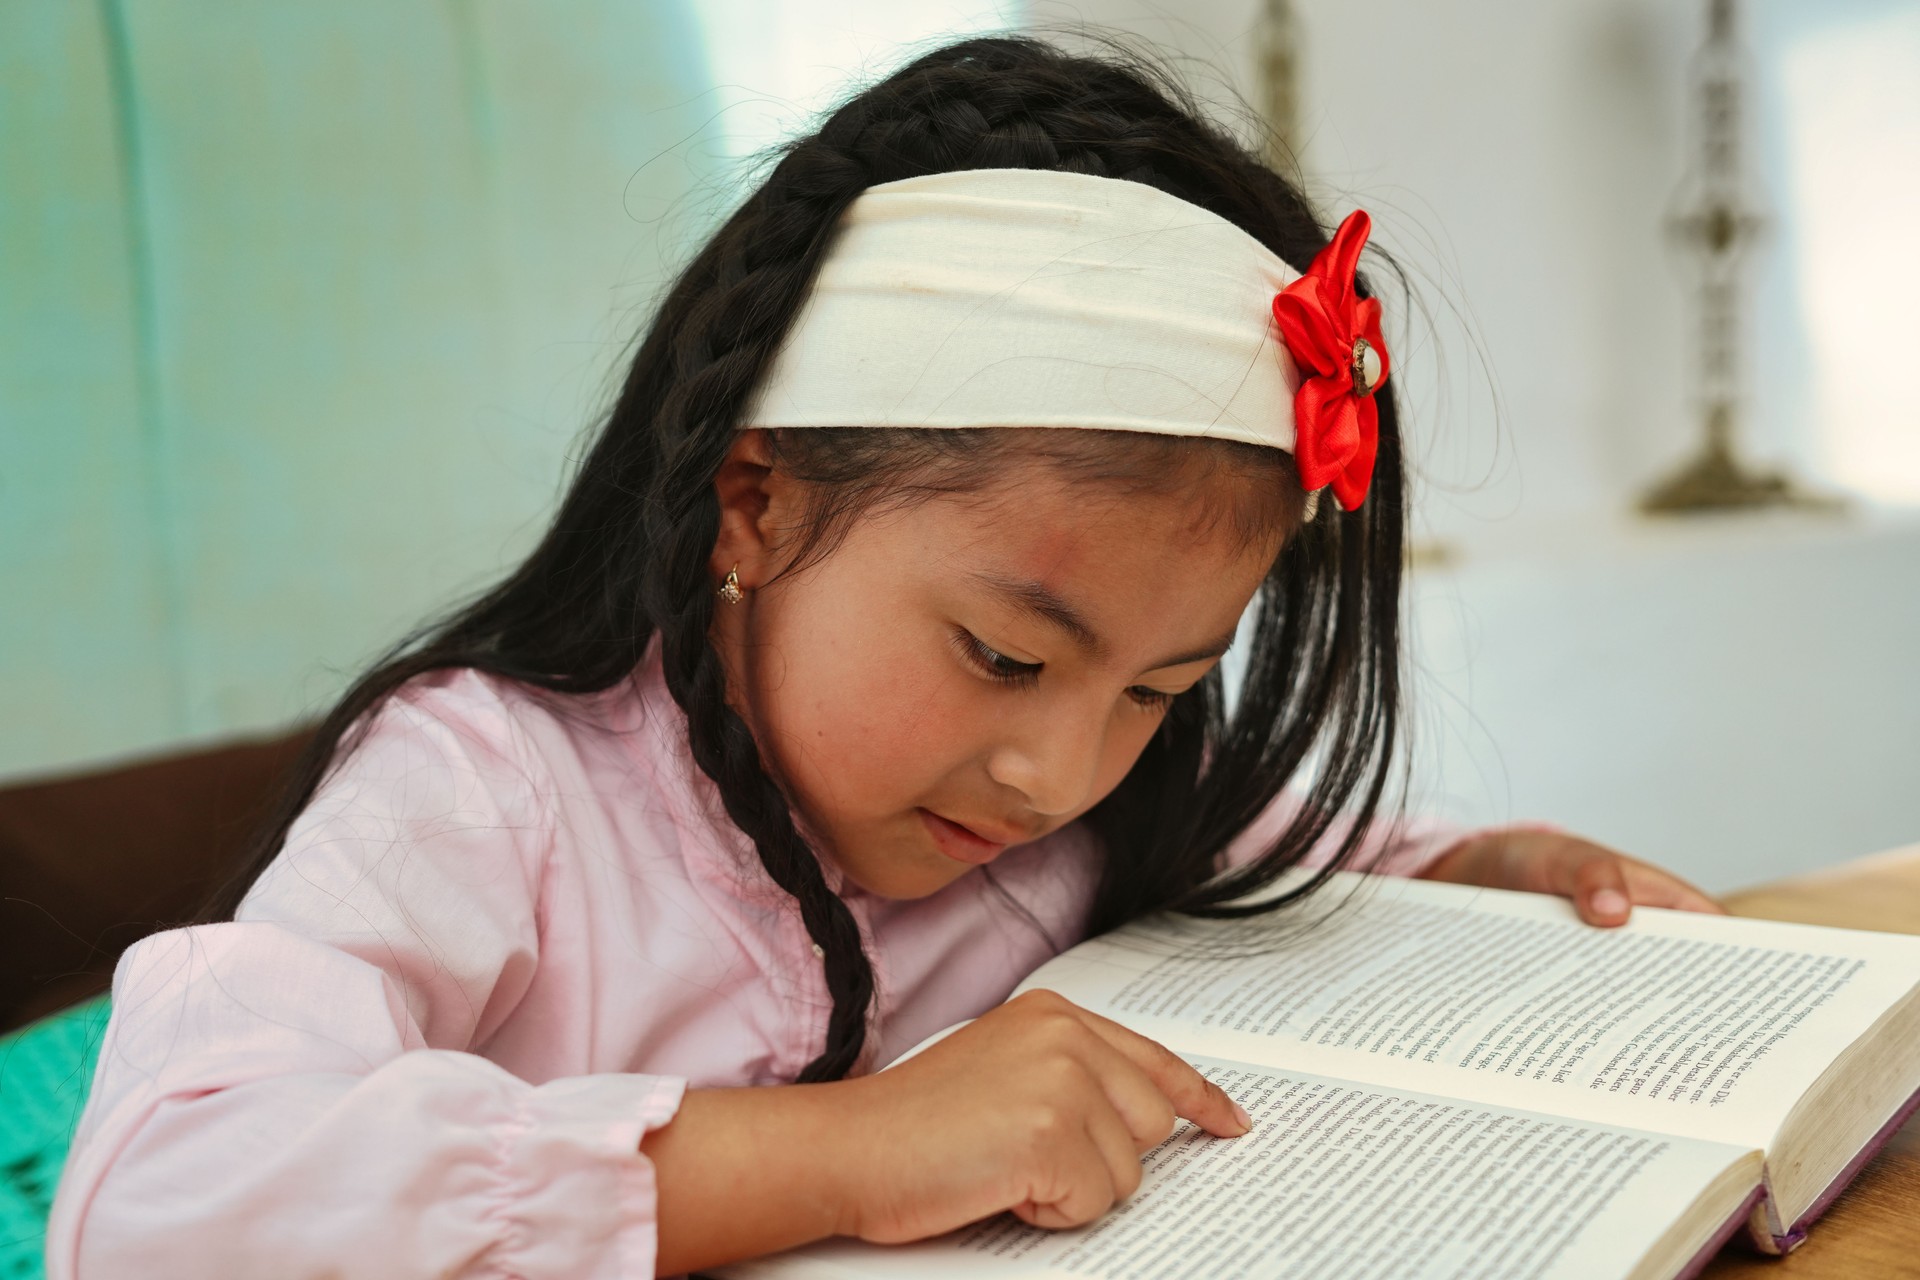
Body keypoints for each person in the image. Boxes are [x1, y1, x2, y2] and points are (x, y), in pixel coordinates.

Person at [45, 35, 1721, 1280]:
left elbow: (1306, 849)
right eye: (1003, 656)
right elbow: (160, 1207)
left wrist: (1489, 870)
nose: (1062, 775)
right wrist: (842, 1152)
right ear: (755, 506)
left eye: (1158, 690)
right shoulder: (485, 790)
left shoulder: (1098, 814)